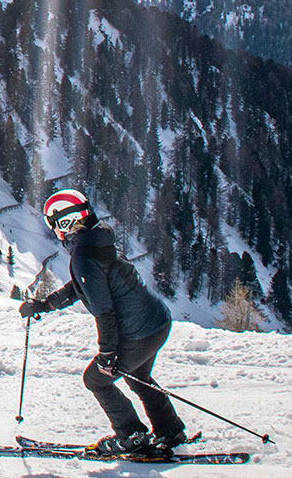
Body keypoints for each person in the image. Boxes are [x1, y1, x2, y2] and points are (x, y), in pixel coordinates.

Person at [19, 189, 185, 456]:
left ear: (65, 221)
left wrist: (107, 355)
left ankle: (131, 436)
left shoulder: (84, 256)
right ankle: (170, 430)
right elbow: (83, 286)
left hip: (139, 333)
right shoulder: (97, 240)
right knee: (138, 378)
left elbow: (104, 311)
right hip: (157, 322)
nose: (54, 231)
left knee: (96, 379)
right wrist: (45, 304)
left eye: (54, 223)